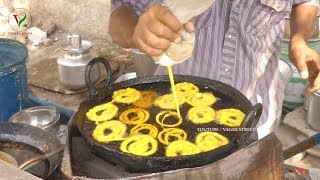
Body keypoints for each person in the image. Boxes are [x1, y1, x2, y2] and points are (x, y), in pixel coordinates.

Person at [109, 0, 320, 139]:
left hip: (256, 117)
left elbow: (305, 2)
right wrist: (137, 31)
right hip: (176, 119)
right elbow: (120, 12)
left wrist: (299, 39)